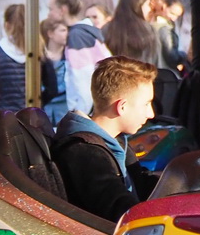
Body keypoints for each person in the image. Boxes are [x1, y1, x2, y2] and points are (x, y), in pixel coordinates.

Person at [52, 55, 155, 222]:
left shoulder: (115, 142)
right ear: (122, 107)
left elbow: (143, 184)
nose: (151, 113)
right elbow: (121, 211)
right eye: (146, 104)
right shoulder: (84, 153)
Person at [0, 4, 55, 113]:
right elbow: (52, 88)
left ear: (7, 25)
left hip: (3, 117)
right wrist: (39, 102)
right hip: (31, 117)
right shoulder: (39, 51)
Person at [61, 0, 112, 117]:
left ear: (108, 19)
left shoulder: (83, 37)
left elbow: (82, 79)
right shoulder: (88, 37)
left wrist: (79, 113)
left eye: (95, 17)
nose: (91, 21)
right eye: (88, 17)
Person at [104, 0, 162, 68]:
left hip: (113, 77)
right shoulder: (149, 30)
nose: (150, 9)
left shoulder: (107, 29)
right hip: (142, 77)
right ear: (138, 6)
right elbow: (156, 61)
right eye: (148, 5)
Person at [40, 17, 69, 123]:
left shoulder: (70, 56)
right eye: (62, 30)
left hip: (64, 108)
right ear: (50, 34)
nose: (67, 34)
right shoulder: (40, 57)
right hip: (45, 109)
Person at [151, 0, 185, 73]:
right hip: (166, 72)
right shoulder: (164, 28)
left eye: (177, 16)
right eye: (172, 13)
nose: (174, 18)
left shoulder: (154, 24)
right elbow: (171, 55)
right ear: (164, 6)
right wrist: (183, 56)